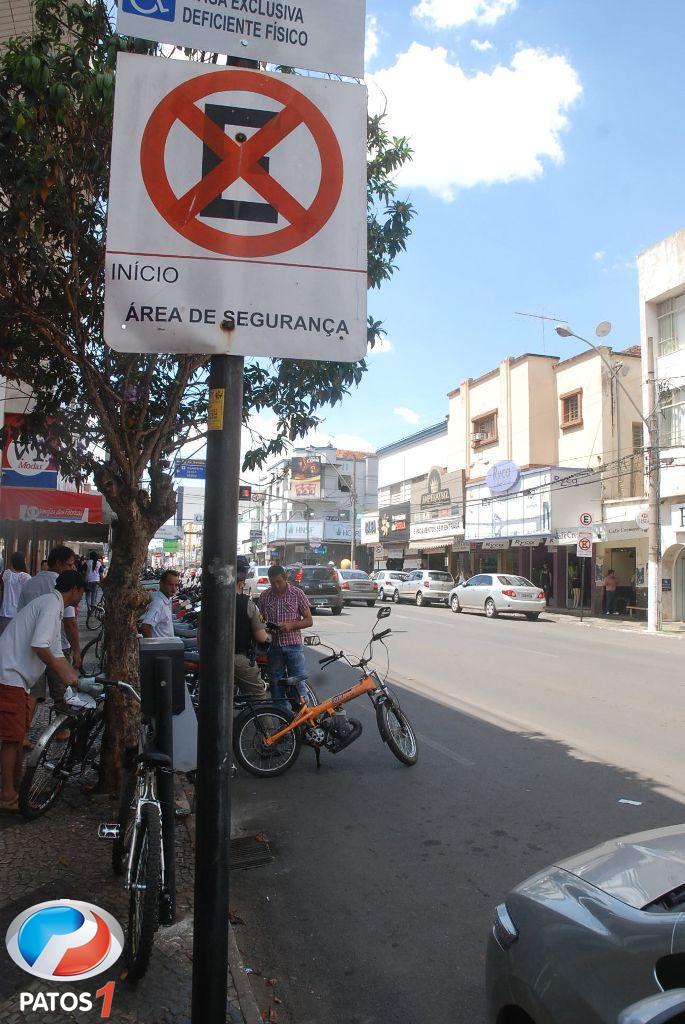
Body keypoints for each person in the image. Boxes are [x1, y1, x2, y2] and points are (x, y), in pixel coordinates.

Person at [0, 570, 84, 810]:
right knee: (11, 739)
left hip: (16, 678)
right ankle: (7, 795)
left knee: (16, 736)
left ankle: (14, 786)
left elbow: (56, 651)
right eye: (82, 592)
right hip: (9, 676)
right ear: (76, 590)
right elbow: (40, 646)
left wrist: (76, 679)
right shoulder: (50, 605)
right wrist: (65, 673)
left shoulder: (52, 605)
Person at [17, 546, 82, 704]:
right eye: (69, 565)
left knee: (32, 694)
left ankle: (25, 728)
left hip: (30, 648)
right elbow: (70, 623)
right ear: (59, 563)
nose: (72, 568)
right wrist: (76, 652)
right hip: (53, 647)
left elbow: (20, 614)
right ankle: (61, 728)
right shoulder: (62, 588)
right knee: (62, 697)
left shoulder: (30, 583)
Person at [257, 564, 312, 705]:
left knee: (299, 684)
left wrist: (291, 625)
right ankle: (282, 718)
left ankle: (303, 720)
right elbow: (260, 619)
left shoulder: (297, 593)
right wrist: (265, 627)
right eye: (272, 582)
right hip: (273, 647)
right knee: (276, 684)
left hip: (293, 646)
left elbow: (309, 620)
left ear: (285, 578)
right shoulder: (265, 596)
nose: (276, 586)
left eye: (279, 582)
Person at [234, 561, 268, 697]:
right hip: (238, 658)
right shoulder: (247, 604)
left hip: (210, 659)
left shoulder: (207, 602)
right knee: (258, 694)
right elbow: (261, 637)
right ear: (241, 583)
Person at [140, 569, 180, 638]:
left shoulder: (166, 599)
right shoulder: (158, 603)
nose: (174, 589)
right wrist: (153, 647)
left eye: (176, 585)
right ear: (161, 584)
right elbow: (145, 627)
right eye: (170, 585)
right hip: (163, 647)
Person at [0, 553, 31, 637]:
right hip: (19, 613)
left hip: (4, 612)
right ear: (22, 562)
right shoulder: (26, 577)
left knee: (3, 640)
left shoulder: (5, 574)